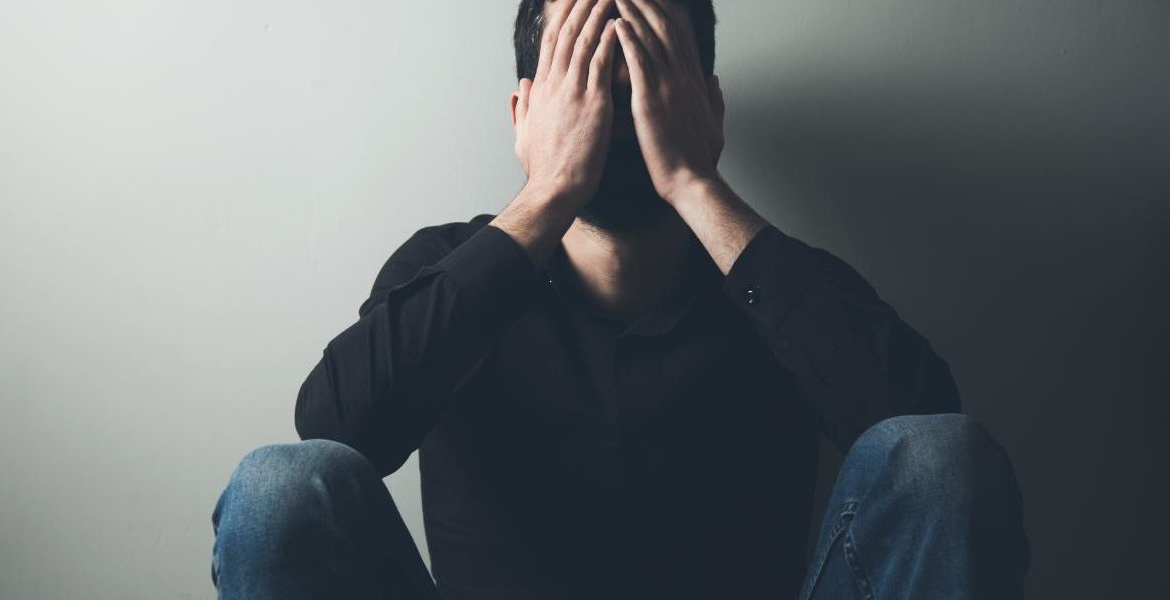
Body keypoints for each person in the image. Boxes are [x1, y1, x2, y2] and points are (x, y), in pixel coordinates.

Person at [211, 0, 1031, 598]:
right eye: (587, 86)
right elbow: (333, 432)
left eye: (643, 80)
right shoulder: (450, 267)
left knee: (941, 457)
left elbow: (932, 447)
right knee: (280, 487)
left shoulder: (781, 285)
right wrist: (552, 187)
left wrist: (690, 180)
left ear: (706, 105)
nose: (614, 115)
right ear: (526, 112)